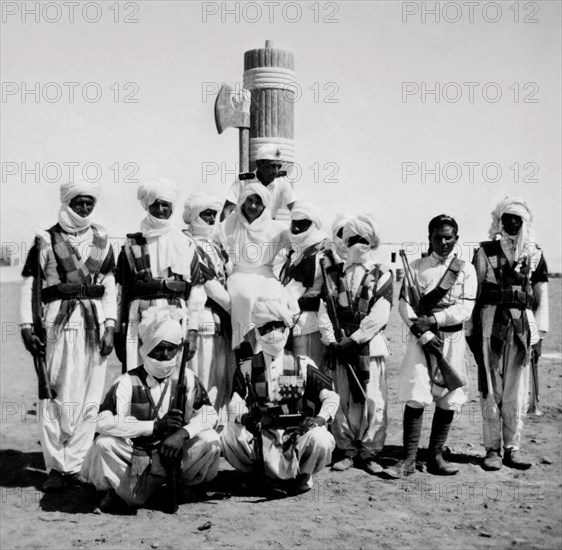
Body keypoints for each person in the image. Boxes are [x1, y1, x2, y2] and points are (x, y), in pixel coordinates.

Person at [20, 180, 116, 491]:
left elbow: (109, 286)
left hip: (94, 326)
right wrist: (25, 327)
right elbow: (29, 285)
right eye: (79, 202)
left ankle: (75, 465)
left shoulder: (102, 240)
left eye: (90, 203)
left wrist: (111, 326)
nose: (85, 208)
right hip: (57, 325)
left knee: (89, 395)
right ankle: (55, 468)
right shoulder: (46, 239)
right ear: (68, 202)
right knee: (55, 393)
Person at [81, 306, 221, 512]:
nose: (165, 355)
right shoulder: (127, 381)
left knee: (211, 440)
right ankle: (118, 491)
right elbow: (103, 422)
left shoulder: (188, 378)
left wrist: (183, 433)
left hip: (176, 454)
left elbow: (210, 414)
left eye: (171, 348)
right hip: (139, 456)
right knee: (104, 444)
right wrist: (152, 427)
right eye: (159, 347)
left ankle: (185, 486)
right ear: (147, 348)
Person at [384, 215, 477, 479]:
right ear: (430, 238)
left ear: (456, 239)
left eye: (449, 237)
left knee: (449, 399)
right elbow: (405, 306)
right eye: (438, 237)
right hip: (421, 340)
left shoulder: (466, 269)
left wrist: (435, 319)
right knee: (416, 394)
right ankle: (409, 459)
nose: (444, 242)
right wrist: (422, 332)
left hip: (452, 340)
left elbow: (465, 308)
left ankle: (436, 456)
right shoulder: (415, 267)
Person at [220, 294, 339, 494]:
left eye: (278, 326)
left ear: (287, 328)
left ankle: (302, 476)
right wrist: (247, 417)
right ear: (257, 332)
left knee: (322, 438)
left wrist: (320, 418)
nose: (273, 332)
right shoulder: (247, 367)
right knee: (229, 433)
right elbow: (235, 402)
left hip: (295, 432)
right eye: (267, 327)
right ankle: (254, 476)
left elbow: (331, 396)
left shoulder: (303, 363)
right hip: (261, 430)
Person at [469, 197, 549, 471]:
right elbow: (474, 292)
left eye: (517, 218)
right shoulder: (484, 251)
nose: (512, 223)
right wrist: (472, 329)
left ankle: (512, 447)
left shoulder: (534, 253)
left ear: (524, 222)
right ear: (499, 221)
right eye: (507, 218)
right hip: (490, 322)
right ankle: (492, 449)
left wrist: (538, 336)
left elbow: (540, 298)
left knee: (516, 389)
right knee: (491, 387)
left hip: (522, 326)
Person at [318, 214, 394, 475]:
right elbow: (324, 310)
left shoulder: (382, 274)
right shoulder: (334, 275)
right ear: (345, 242)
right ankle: (347, 450)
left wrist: (355, 339)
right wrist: (333, 340)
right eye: (353, 240)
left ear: (372, 242)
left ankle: (370, 452)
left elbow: (380, 315)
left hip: (369, 349)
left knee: (373, 400)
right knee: (342, 399)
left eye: (364, 240)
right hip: (339, 347)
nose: (358, 245)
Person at [115, 178, 206, 372]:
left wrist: (192, 331)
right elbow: (121, 293)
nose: (161, 210)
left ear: (172, 207)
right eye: (155, 204)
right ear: (147, 206)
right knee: (137, 373)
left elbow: (196, 293)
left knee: (173, 375)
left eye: (165, 205)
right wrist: (118, 332)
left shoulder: (186, 244)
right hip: (139, 317)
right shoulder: (132, 245)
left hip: (176, 314)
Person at [216, 182, 288, 359]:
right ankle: (245, 350)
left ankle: (271, 348)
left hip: (267, 274)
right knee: (245, 296)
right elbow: (211, 237)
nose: (253, 206)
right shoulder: (231, 223)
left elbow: (300, 239)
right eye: (249, 200)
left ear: (265, 205)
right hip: (240, 273)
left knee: (276, 297)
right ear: (242, 201)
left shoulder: (277, 227)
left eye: (258, 201)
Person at [183, 191, 237, 422]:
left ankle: (217, 428)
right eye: (205, 215)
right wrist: (236, 311)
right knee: (202, 376)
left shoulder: (216, 246)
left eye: (213, 215)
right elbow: (208, 284)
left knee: (221, 378)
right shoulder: (189, 244)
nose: (210, 219)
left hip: (223, 321)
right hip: (203, 315)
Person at [273, 201, 333, 368]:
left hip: (308, 326)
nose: (297, 229)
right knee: (289, 380)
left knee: (310, 377)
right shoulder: (288, 254)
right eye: (295, 224)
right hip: (285, 324)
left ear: (313, 225)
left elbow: (293, 292)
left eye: (303, 224)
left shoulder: (321, 254)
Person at [221, 143, 297, 220]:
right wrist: (223, 230)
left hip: (268, 227)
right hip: (245, 227)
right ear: (258, 164)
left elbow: (295, 209)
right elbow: (227, 210)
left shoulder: (282, 181)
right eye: (272, 166)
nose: (276, 171)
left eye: (279, 166)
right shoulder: (244, 181)